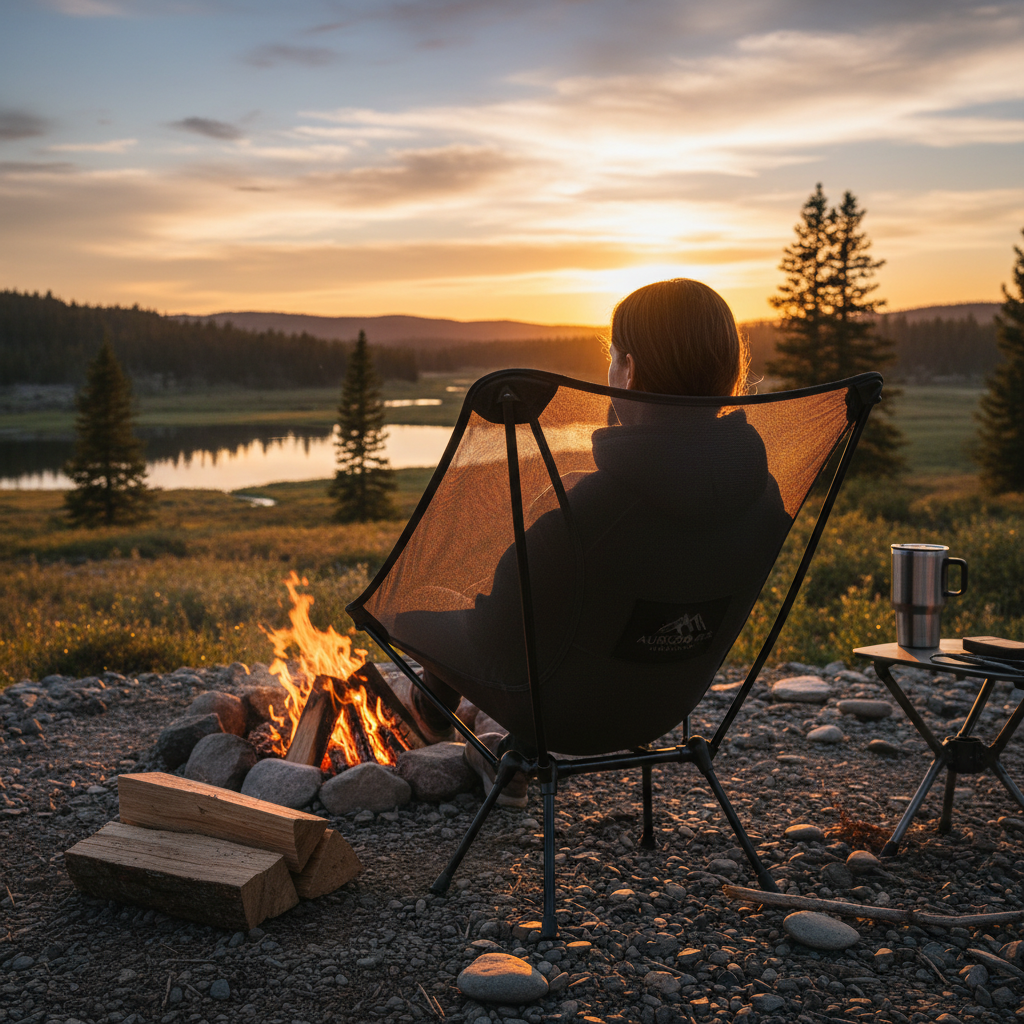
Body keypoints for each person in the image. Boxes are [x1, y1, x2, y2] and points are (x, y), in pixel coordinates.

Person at [392, 279, 783, 805]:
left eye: (615, 356)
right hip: (663, 703)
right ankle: (510, 750)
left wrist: (422, 626)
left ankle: (440, 714)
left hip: (567, 714)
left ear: (631, 370)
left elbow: (498, 634)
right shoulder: (764, 496)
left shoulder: (596, 514)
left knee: (419, 617)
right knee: (575, 623)